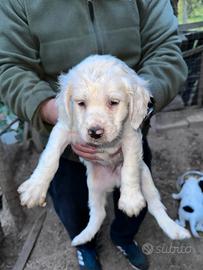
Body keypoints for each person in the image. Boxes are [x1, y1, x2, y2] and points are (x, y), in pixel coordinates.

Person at [0, 1, 187, 270]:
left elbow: (166, 51)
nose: (96, 127)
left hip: (129, 134)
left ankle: (123, 237)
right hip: (66, 144)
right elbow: (9, 66)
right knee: (71, 206)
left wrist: (137, 110)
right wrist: (51, 110)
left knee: (134, 199)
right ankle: (85, 246)